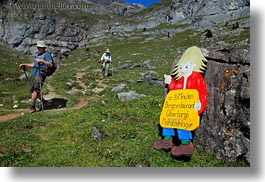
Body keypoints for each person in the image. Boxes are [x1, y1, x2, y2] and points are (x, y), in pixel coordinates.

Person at [153, 46, 208, 158]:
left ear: (194, 65)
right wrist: (171, 82)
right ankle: (166, 140)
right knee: (168, 120)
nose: (183, 70)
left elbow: (202, 93)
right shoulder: (181, 79)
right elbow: (176, 89)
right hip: (176, 107)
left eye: (186, 66)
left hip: (188, 109)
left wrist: (200, 106)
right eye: (181, 67)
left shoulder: (197, 78)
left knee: (184, 125)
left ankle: (185, 145)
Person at [19, 40, 53, 113]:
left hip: (40, 75)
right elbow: (34, 65)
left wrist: (42, 61)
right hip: (34, 74)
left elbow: (51, 65)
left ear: (43, 47)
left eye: (39, 47)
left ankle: (32, 107)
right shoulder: (39, 55)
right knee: (33, 91)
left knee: (35, 91)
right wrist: (25, 64)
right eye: (38, 47)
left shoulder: (47, 54)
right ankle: (44, 102)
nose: (38, 48)